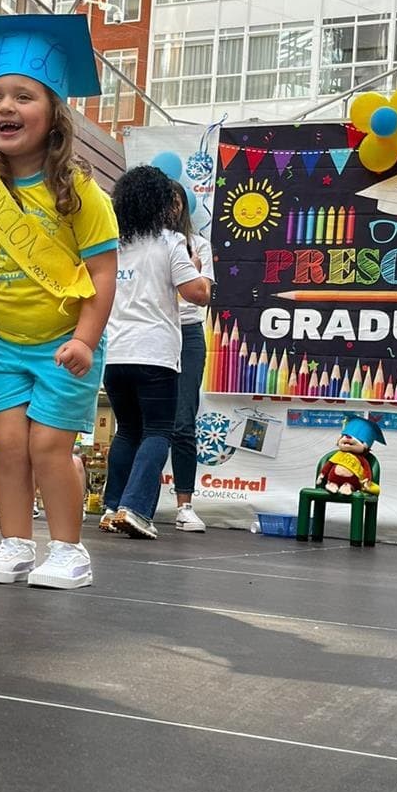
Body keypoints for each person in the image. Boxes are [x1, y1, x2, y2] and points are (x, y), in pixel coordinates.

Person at [0, 14, 118, 589]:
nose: (5, 106)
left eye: (24, 94)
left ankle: (69, 550)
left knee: (48, 446)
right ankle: (15, 544)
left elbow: (103, 273)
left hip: (67, 346)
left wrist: (86, 340)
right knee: (8, 445)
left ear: (54, 114)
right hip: (8, 345)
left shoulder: (80, 192)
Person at [101, 167, 210, 540]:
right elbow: (198, 294)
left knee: (127, 430)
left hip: (114, 353)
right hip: (154, 352)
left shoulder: (111, 242)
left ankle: (112, 506)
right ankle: (135, 509)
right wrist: (197, 271)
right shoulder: (169, 241)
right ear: (161, 203)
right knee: (159, 430)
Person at [168, 182, 214, 533]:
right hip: (152, 332)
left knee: (183, 422)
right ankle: (131, 500)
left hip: (188, 333)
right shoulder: (140, 243)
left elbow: (203, 293)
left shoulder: (198, 243)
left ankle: (185, 504)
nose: (171, 207)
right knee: (143, 423)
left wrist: (192, 266)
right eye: (165, 201)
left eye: (177, 201)